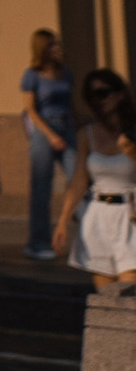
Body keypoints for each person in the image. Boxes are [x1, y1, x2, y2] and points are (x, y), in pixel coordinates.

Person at [58, 69, 136, 288]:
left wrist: (132, 153)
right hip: (99, 216)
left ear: (120, 94)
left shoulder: (133, 133)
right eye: (91, 96)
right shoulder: (87, 134)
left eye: (102, 93)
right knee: (106, 301)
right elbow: (79, 181)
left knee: (130, 295)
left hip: (130, 216)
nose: (97, 101)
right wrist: (64, 220)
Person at [21, 30, 78, 262]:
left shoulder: (65, 73)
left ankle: (90, 240)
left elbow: (71, 103)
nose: (58, 49)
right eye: (53, 45)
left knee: (78, 182)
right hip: (44, 130)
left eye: (58, 45)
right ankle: (38, 242)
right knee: (41, 188)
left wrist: (78, 129)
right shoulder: (32, 75)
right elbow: (31, 110)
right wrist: (50, 134)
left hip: (67, 127)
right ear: (43, 48)